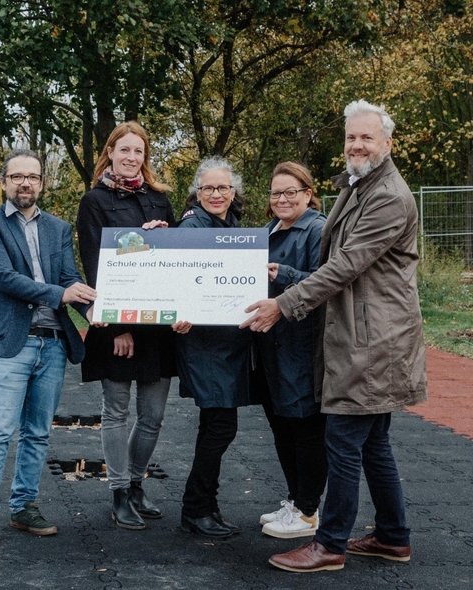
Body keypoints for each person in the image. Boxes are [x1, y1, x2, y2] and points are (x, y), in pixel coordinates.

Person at [244, 100, 427, 572]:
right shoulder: (358, 185)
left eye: (366, 137)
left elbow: (344, 266)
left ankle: (329, 545)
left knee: (343, 440)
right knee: (372, 443)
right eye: (351, 137)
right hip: (361, 334)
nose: (356, 145)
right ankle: (392, 536)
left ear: (387, 142)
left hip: (373, 340)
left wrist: (283, 303)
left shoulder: (387, 195)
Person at [0, 149, 95, 551]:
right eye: (17, 176)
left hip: (53, 344)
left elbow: (71, 278)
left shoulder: (57, 227)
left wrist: (94, 308)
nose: (26, 183)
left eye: (33, 177)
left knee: (37, 433)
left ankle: (23, 508)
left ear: (41, 183)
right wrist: (62, 293)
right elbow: (4, 278)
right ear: (4, 182)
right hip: (11, 344)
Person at [76, 121, 178, 530]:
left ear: (144, 157)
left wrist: (167, 237)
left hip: (158, 326)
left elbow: (173, 261)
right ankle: (119, 492)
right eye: (125, 150)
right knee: (116, 412)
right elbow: (95, 263)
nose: (132, 157)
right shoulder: (94, 201)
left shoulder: (160, 199)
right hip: (117, 326)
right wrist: (118, 326)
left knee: (152, 415)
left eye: (139, 151)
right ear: (111, 153)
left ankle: (136, 485)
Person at [174, 156, 252, 539]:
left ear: (232, 191)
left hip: (228, 344)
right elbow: (178, 279)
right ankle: (196, 508)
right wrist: (178, 309)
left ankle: (207, 505)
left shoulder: (230, 224)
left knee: (216, 426)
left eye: (223, 187)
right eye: (209, 188)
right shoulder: (192, 226)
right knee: (220, 427)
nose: (217, 193)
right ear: (197, 193)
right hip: (205, 345)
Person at [254, 162, 328, 539]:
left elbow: (326, 282)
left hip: (301, 345)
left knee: (305, 427)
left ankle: (310, 510)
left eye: (290, 192)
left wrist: (283, 274)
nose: (282, 199)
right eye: (275, 193)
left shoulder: (317, 229)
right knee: (282, 426)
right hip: (270, 346)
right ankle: (296, 501)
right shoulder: (267, 230)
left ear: (307, 194)